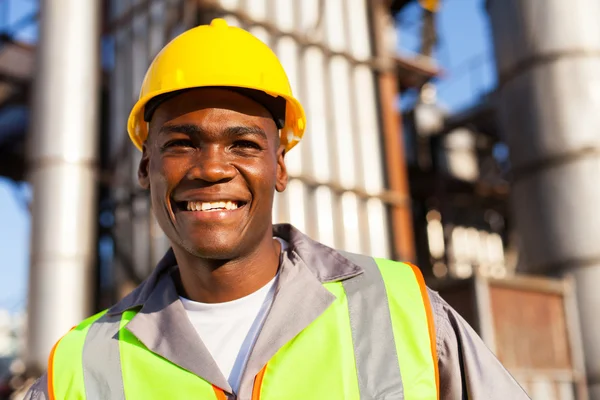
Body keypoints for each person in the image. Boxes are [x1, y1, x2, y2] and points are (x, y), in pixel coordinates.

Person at [26, 19, 530, 400]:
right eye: (181, 143)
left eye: (243, 145)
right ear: (145, 168)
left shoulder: (407, 314)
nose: (211, 168)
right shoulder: (78, 366)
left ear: (280, 167)